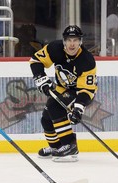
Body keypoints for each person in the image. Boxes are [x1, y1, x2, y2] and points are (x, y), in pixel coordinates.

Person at [29, 25, 97, 162]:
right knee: (46, 119)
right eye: (69, 40)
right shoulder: (54, 48)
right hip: (62, 88)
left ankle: (70, 144)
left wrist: (78, 107)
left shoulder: (87, 60)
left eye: (76, 40)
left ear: (80, 42)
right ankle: (56, 146)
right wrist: (41, 79)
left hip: (80, 93)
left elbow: (87, 90)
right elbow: (36, 61)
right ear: (64, 41)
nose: (72, 44)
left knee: (55, 108)